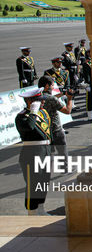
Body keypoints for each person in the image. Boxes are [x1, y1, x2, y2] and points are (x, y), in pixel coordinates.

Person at [15, 87, 52, 216]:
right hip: (32, 153)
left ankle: (41, 209)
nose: (43, 103)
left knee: (44, 181)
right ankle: (32, 211)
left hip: (45, 151)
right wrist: (33, 111)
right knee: (33, 183)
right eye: (39, 100)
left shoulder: (44, 113)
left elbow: (49, 132)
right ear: (30, 101)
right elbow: (29, 127)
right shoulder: (21, 117)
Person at [38, 75, 73, 160]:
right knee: (62, 151)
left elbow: (48, 99)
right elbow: (67, 111)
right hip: (55, 129)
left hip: (44, 130)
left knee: (49, 153)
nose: (53, 87)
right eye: (52, 85)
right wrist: (70, 99)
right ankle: (65, 168)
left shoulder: (37, 96)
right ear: (47, 86)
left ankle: (47, 170)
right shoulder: (52, 99)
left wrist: (59, 95)